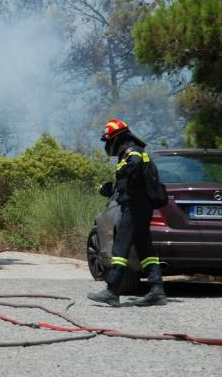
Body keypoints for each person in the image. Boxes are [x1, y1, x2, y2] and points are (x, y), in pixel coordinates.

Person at [88, 118, 167, 307]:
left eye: (108, 140)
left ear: (116, 138)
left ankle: (112, 290)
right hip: (140, 207)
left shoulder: (133, 153)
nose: (107, 145)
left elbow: (134, 173)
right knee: (145, 249)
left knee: (121, 248)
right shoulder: (129, 154)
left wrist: (129, 194)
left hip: (135, 206)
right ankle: (157, 290)